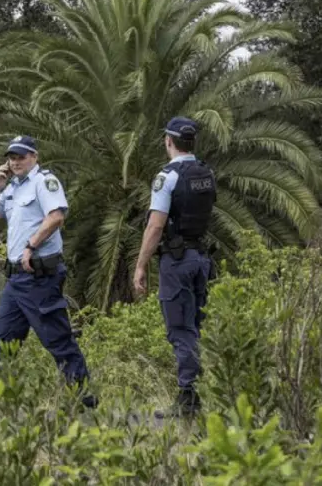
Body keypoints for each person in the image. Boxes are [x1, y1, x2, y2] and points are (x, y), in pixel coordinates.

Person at [0, 135, 95, 408]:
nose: (16, 162)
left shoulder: (43, 182)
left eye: (21, 156)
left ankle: (85, 398)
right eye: (12, 157)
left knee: (56, 339)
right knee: (2, 340)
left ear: (35, 156)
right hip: (16, 279)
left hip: (40, 277)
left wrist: (31, 245)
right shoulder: (12, 188)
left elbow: (56, 216)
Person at [132, 116, 217, 419]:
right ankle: (206, 390)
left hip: (177, 261)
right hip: (200, 258)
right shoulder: (206, 173)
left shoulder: (166, 177)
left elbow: (155, 226)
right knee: (197, 325)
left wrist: (140, 266)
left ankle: (188, 398)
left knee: (181, 327)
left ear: (168, 141)